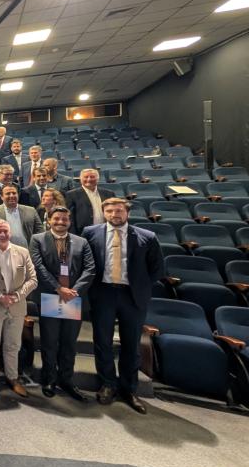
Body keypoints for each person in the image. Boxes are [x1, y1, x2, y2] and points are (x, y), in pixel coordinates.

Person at [83, 198, 164, 414]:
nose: (114, 214)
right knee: (102, 341)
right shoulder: (90, 233)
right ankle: (108, 384)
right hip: (104, 293)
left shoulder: (147, 237)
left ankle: (129, 389)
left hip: (132, 296)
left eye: (118, 211)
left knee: (131, 344)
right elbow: (85, 262)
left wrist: (139, 285)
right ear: (103, 212)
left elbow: (157, 269)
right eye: (109, 211)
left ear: (127, 212)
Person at [29, 206, 95, 401]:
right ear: (49, 220)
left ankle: (66, 379)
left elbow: (90, 268)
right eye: (56, 218)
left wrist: (74, 291)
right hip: (51, 296)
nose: (60, 222)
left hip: (74, 297)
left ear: (69, 221)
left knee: (69, 343)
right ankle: (49, 379)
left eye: (64, 219)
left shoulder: (81, 242)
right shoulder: (38, 239)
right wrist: (59, 288)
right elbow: (38, 266)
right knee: (49, 341)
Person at [0, 219, 38, 398]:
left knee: (13, 344)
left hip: (16, 305)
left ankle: (13, 378)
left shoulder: (22, 252)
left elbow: (33, 280)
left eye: (5, 231)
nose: (2, 234)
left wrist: (17, 296)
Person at [67, 168, 116, 234]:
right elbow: (70, 217)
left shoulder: (109, 194)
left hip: (106, 232)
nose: (89, 179)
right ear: (80, 179)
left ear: (98, 179)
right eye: (86, 177)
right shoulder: (71, 195)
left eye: (92, 177)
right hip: (82, 233)